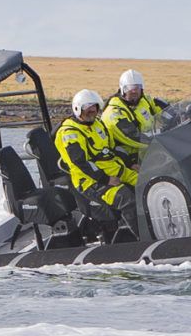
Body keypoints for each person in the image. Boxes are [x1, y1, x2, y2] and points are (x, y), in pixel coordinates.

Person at [54, 89, 138, 238]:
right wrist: (106, 179)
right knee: (126, 198)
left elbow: (114, 147)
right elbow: (81, 163)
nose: (92, 111)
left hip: (116, 170)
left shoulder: (98, 124)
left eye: (95, 108)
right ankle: (143, 237)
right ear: (78, 109)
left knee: (146, 184)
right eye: (88, 109)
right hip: (91, 182)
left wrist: (131, 163)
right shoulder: (69, 133)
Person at [101, 68, 170, 168]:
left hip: (150, 148)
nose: (134, 91)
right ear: (123, 89)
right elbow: (134, 137)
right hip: (130, 157)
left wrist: (180, 117)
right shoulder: (114, 113)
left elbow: (166, 111)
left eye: (137, 87)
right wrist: (161, 133)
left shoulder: (145, 99)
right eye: (130, 88)